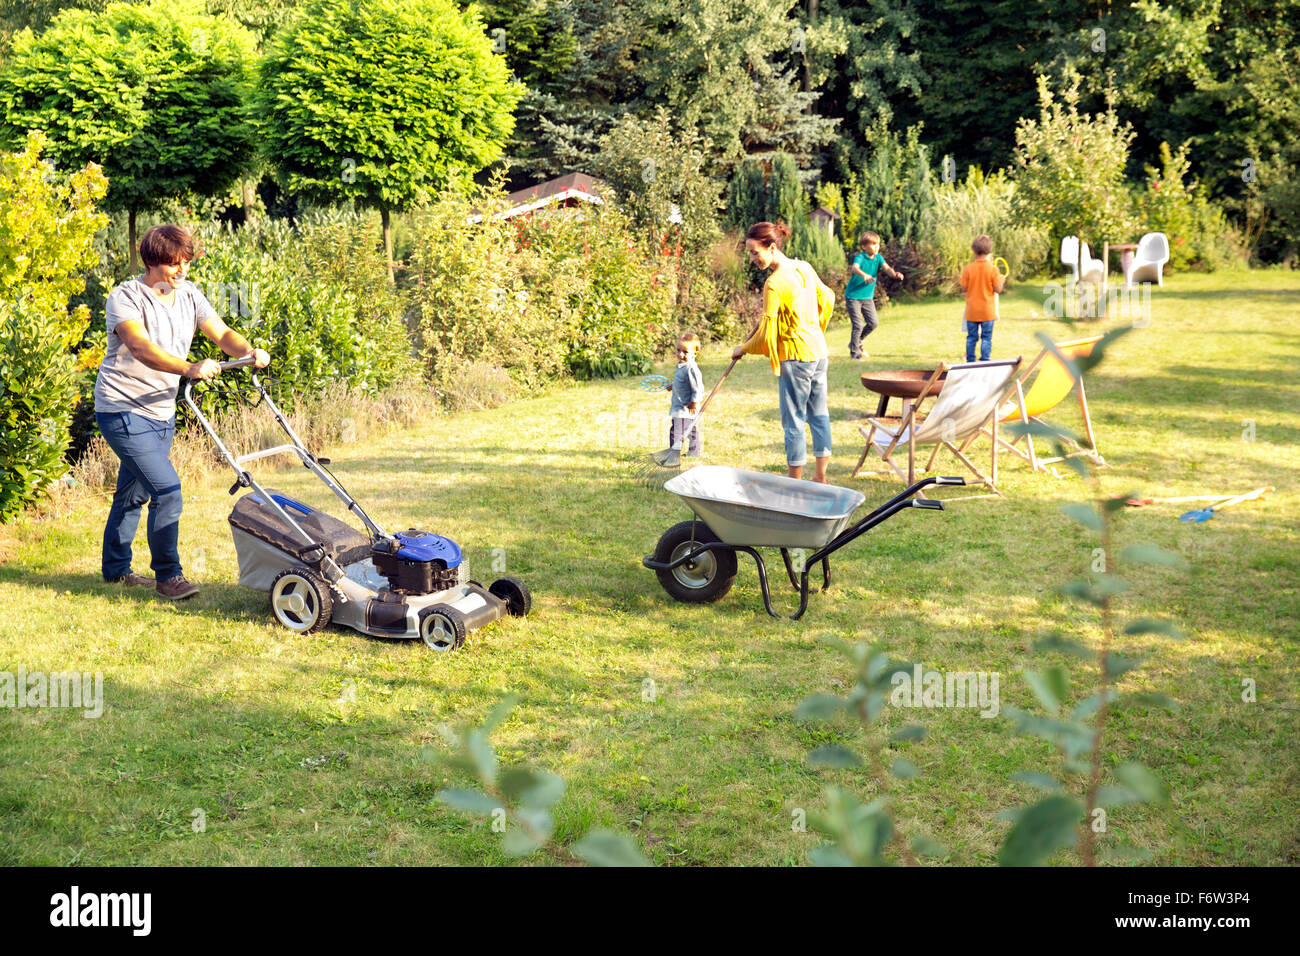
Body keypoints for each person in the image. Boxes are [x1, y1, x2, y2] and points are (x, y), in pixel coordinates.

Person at [94, 224, 269, 600]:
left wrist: (248, 353)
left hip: (160, 412)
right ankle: (169, 576)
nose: (183, 271)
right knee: (168, 490)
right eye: (175, 264)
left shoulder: (189, 294)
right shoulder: (126, 297)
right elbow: (141, 348)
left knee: (133, 492)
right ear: (154, 261)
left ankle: (115, 570)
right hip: (123, 409)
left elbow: (222, 334)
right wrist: (189, 368)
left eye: (186, 263)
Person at [731, 221, 835, 483]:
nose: (753, 258)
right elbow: (828, 297)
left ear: (772, 247)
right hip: (818, 352)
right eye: (750, 253)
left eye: (756, 252)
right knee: (819, 414)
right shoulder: (804, 267)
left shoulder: (774, 284)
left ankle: (794, 482)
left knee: (794, 421)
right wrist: (815, 326)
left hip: (796, 358)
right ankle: (820, 476)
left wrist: (742, 348)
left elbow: (766, 335)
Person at [843, 231, 903, 360]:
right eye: (873, 244)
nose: (876, 247)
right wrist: (864, 275)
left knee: (873, 323)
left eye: (878, 245)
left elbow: (886, 268)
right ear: (864, 246)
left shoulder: (878, 258)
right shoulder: (860, 257)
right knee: (858, 325)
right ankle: (855, 354)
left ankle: (856, 343)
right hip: (853, 297)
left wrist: (894, 274)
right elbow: (854, 268)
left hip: (867, 298)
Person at [959, 234, 1005, 363]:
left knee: (971, 338)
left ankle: (971, 361)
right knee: (986, 338)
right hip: (987, 312)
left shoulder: (968, 268)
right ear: (990, 251)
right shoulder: (993, 269)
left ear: (974, 251)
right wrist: (1001, 282)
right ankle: (985, 361)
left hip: (972, 311)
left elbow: (963, 288)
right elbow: (997, 290)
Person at [665, 332, 704, 458]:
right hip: (680, 406)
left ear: (695, 353)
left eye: (685, 352)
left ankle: (673, 454)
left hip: (686, 407)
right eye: (678, 350)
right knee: (690, 430)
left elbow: (698, 387)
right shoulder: (682, 365)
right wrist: (673, 385)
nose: (680, 354)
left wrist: (694, 402)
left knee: (676, 431)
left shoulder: (691, 368)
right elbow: (682, 381)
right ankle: (694, 451)